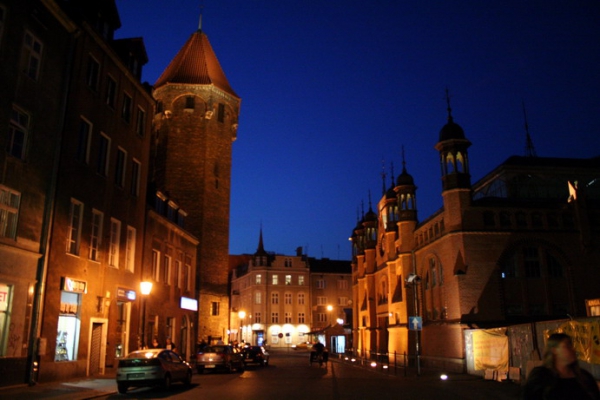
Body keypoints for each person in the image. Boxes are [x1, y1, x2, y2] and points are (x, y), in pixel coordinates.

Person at [523, 332, 600, 400]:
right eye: (567, 346)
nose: (573, 349)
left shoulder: (584, 377)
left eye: (572, 345)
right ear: (554, 350)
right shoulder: (540, 377)